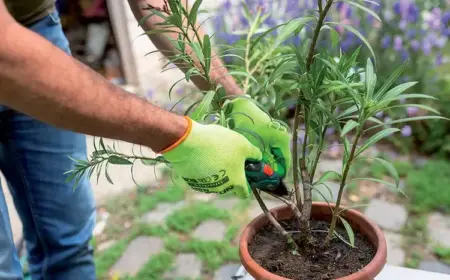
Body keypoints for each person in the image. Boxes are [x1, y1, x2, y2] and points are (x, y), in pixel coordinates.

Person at [0, 0, 291, 279]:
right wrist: (180, 137)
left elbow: (157, 3)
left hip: (37, 27)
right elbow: (6, 56)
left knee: (68, 241)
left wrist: (234, 99)